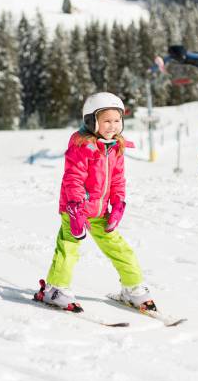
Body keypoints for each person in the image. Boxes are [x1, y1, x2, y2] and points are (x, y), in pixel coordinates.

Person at [34, 92, 156, 313]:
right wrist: (75, 210)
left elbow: (118, 178)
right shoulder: (82, 146)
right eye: (106, 121)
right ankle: (56, 289)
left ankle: (134, 289)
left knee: (120, 249)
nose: (112, 126)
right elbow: (73, 179)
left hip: (101, 212)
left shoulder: (116, 146)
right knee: (68, 249)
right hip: (75, 209)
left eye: (117, 120)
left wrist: (118, 204)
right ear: (91, 121)